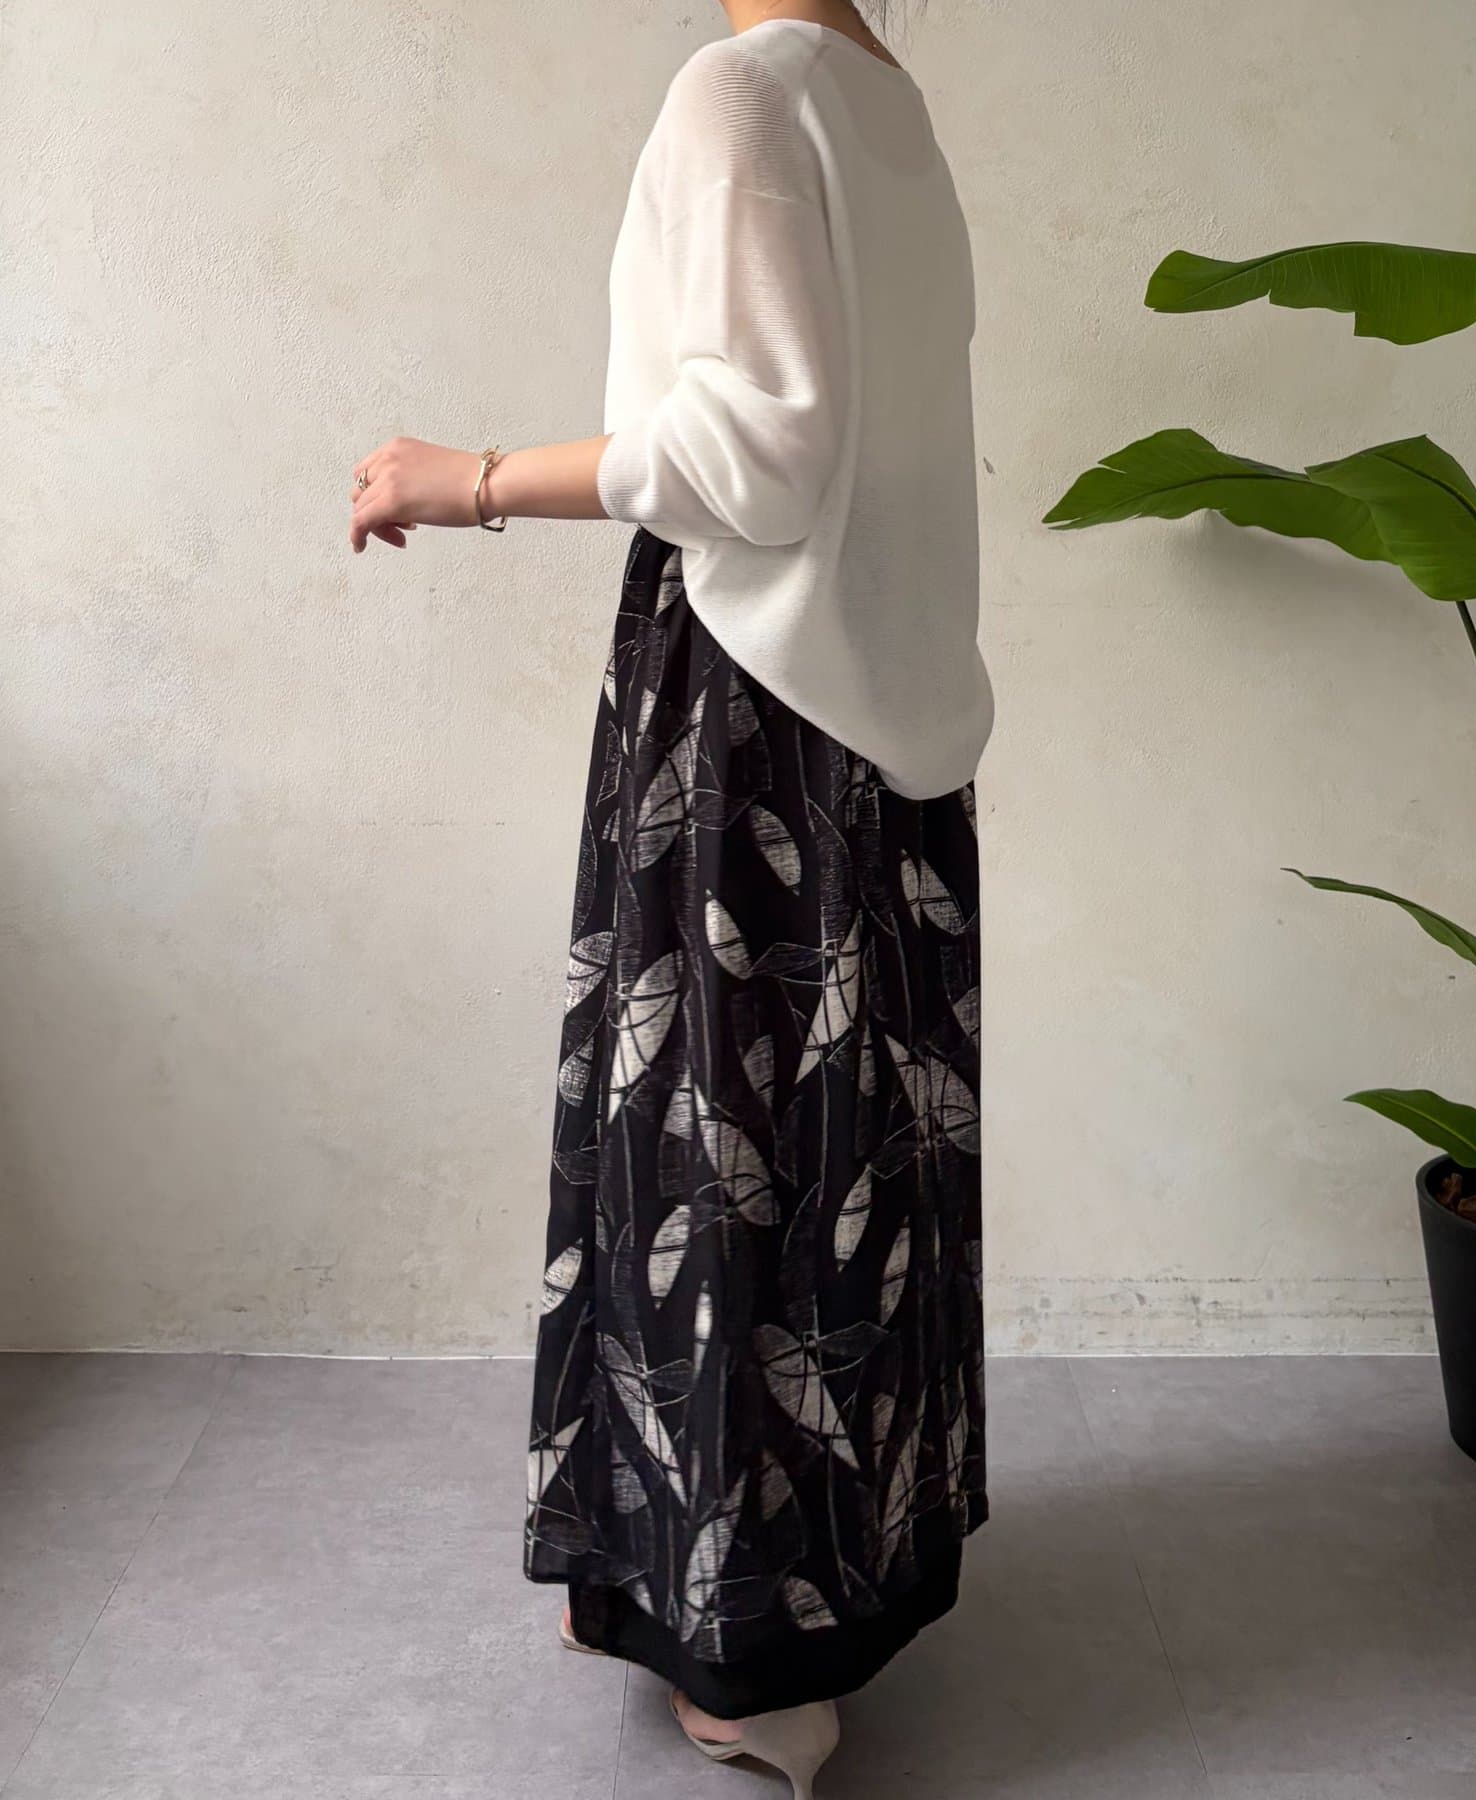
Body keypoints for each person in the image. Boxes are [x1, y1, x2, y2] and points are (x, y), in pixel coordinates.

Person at [348, 2, 993, 1792]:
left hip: (754, 713)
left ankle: (747, 1652)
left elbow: (749, 463)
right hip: (882, 709)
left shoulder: (741, 93)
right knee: (841, 1153)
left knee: (715, 1153)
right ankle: (761, 1576)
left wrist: (470, 481)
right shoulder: (887, 106)